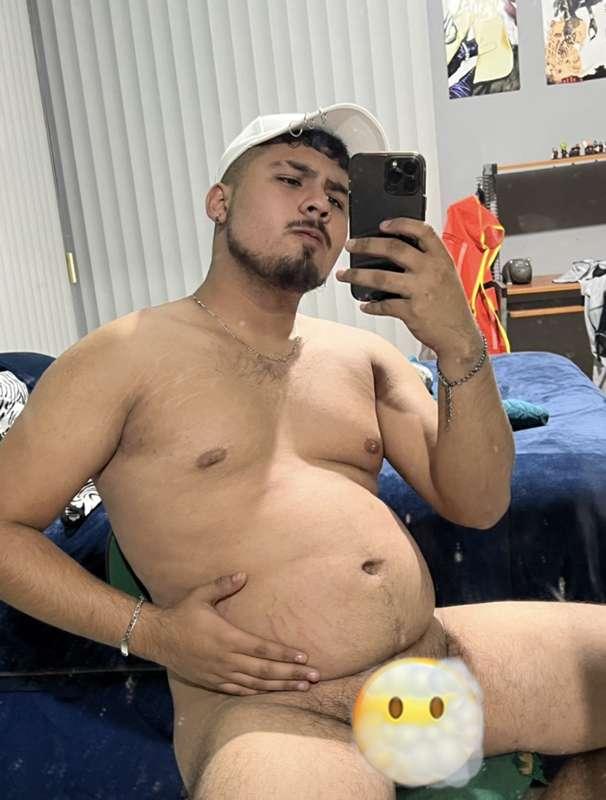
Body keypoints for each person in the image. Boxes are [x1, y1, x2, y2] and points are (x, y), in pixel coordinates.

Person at [1, 103, 605, 800]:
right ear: (219, 202)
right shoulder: (121, 357)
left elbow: (480, 502)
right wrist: (152, 632)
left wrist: (458, 341)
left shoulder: (364, 355)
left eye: (339, 197)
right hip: (279, 711)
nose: (319, 202)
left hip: (435, 658)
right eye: (291, 179)